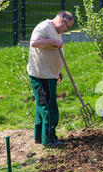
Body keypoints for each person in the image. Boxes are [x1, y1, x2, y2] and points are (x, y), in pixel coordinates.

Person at [27, 11, 74, 148]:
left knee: (42, 106)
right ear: (61, 21)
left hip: (50, 75)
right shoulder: (43, 27)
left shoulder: (55, 31)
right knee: (48, 107)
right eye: (68, 27)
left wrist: (58, 71)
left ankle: (40, 137)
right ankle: (49, 140)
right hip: (42, 76)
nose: (67, 30)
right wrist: (53, 42)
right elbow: (34, 42)